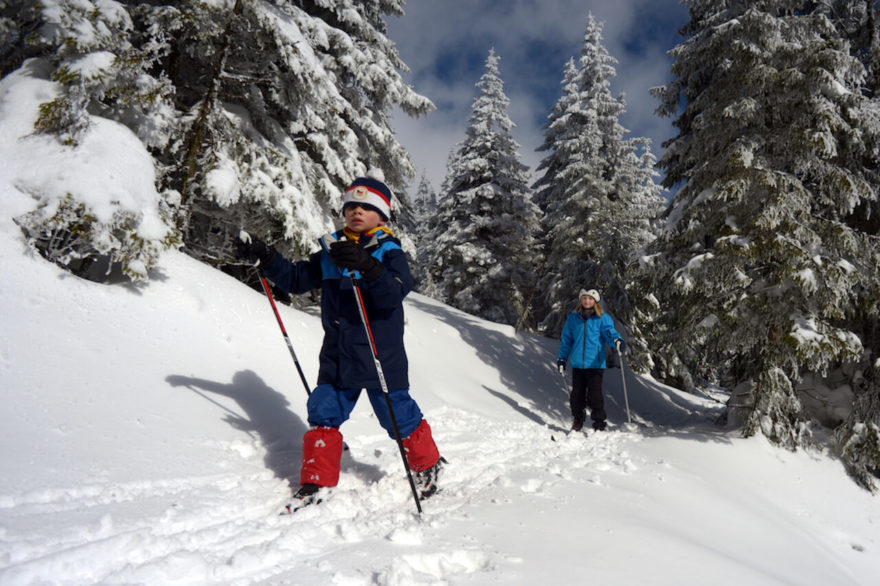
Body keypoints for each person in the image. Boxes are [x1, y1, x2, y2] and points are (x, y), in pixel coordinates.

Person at [236, 168, 443, 506]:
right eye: (350, 207)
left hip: (380, 354)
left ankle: (429, 465)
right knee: (323, 411)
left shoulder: (389, 252)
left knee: (397, 416)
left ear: (382, 215)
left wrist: (369, 268)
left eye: (366, 208)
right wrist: (268, 258)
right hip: (338, 352)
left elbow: (395, 293)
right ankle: (316, 482)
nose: (356, 212)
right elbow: (296, 280)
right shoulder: (332, 253)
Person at [556, 288, 626, 432]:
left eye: (590, 298)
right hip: (578, 364)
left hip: (595, 363)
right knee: (577, 395)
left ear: (595, 301)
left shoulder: (602, 318)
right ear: (580, 300)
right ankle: (578, 420)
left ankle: (599, 423)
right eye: (584, 298)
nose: (587, 301)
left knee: (595, 396)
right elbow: (567, 341)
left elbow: (609, 333)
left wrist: (617, 340)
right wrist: (562, 359)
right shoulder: (573, 318)